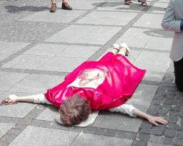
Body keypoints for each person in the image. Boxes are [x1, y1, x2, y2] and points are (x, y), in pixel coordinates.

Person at [1, 43, 168, 127]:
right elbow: (40, 98)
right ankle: (116, 48)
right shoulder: (62, 98)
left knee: (119, 63)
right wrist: (17, 98)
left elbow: (126, 108)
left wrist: (148, 117)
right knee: (108, 61)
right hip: (94, 71)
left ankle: (121, 48)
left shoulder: (101, 103)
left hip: (104, 74)